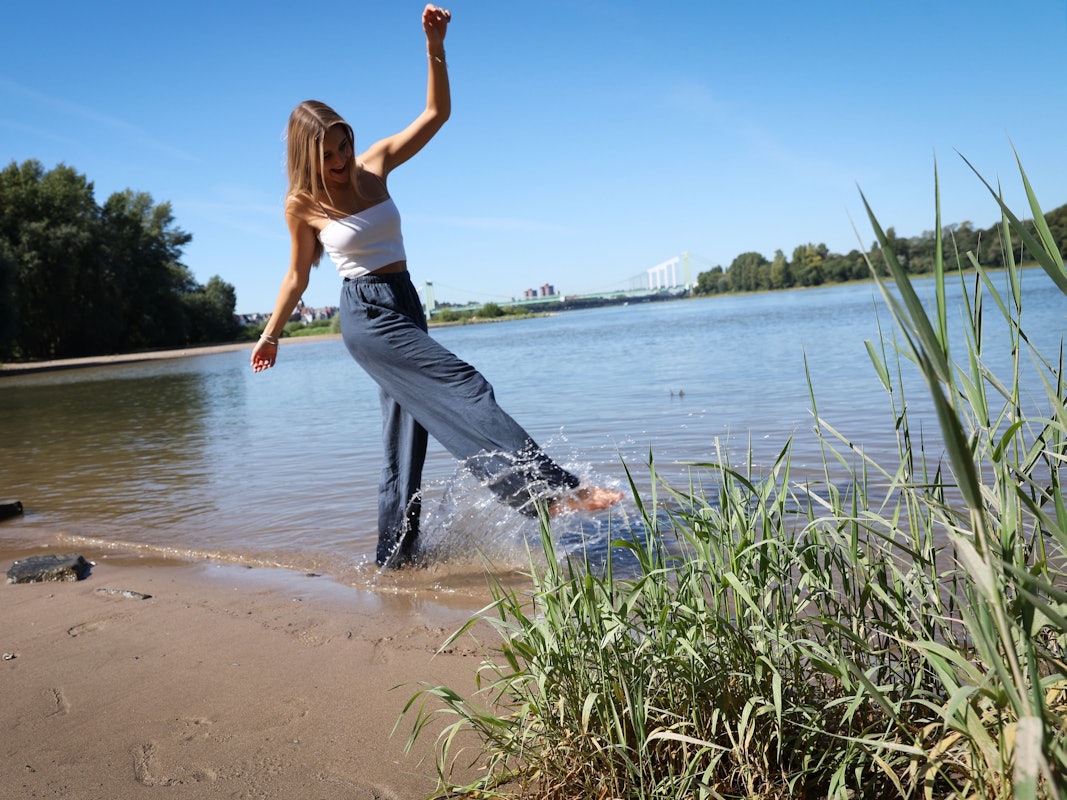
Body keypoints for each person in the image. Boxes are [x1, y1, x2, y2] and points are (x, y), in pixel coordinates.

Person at [250, 5, 621, 567]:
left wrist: (434, 47)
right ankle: (554, 492)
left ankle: (394, 563)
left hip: (405, 303)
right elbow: (298, 274)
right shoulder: (302, 205)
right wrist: (272, 333)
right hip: (367, 317)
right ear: (307, 157)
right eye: (326, 156)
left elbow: (436, 113)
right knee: (466, 385)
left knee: (406, 445)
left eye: (342, 146)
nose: (340, 162)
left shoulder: (375, 165)